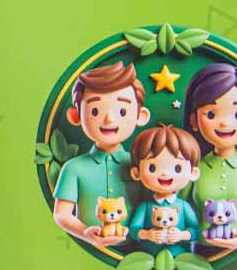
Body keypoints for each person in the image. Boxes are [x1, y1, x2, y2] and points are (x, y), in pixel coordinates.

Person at [52, 61, 151, 247]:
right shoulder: (74, 168)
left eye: (122, 111)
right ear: (76, 116)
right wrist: (86, 234)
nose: (110, 119)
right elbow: (61, 213)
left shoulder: (142, 165)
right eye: (95, 111)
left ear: (141, 116)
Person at [182, 63, 237, 250]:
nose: (225, 122)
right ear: (194, 121)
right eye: (211, 114)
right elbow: (179, 210)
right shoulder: (193, 169)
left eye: (236, 113)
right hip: (200, 254)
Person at [128, 124, 201, 257]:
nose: (165, 174)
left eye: (177, 168)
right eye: (152, 168)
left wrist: (182, 235)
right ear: (136, 172)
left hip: (180, 257)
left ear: (193, 173)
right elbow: (133, 229)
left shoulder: (183, 206)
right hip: (148, 257)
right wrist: (147, 234)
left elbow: (196, 231)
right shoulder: (145, 206)